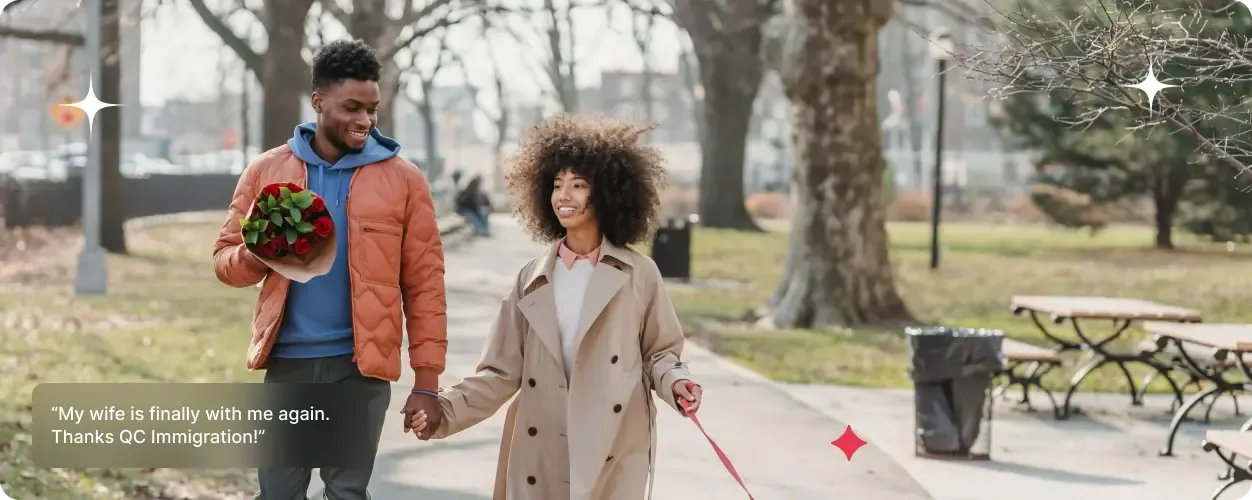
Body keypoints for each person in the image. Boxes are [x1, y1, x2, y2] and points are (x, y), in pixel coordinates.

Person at [407, 115, 704, 500]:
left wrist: (677, 383)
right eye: (557, 184)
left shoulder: (639, 274)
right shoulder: (531, 278)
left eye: (578, 185)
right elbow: (501, 372)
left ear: (608, 192)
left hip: (613, 445)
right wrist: (443, 409)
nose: (564, 195)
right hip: (542, 446)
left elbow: (659, 353)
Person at [212, 39, 448, 500]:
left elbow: (425, 285)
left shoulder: (404, 180)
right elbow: (224, 261)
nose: (365, 120)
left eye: (372, 109)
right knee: (278, 494)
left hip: (360, 371)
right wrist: (259, 253)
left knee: (346, 493)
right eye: (351, 107)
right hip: (288, 365)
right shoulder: (267, 171)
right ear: (318, 102)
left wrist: (427, 383)